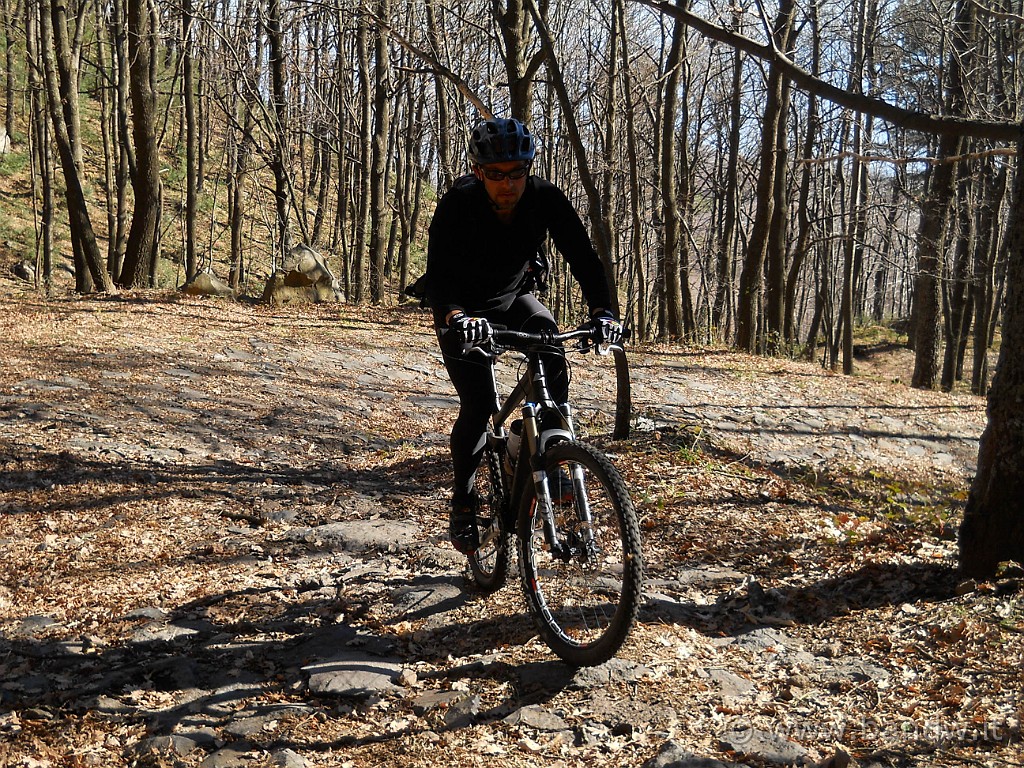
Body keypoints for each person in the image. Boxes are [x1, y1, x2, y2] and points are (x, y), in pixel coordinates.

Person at [424, 117, 623, 554]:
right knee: (478, 407)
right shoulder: (458, 203)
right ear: (478, 172)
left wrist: (603, 311)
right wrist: (455, 315)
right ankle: (464, 497)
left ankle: (547, 455)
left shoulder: (544, 198)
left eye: (517, 172)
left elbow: (584, 257)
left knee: (548, 334)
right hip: (462, 310)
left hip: (513, 298)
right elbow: (437, 275)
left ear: (528, 168)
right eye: (496, 175)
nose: (507, 184)